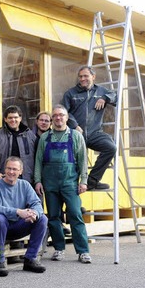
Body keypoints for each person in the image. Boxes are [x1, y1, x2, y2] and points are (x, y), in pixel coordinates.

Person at [35, 104, 92, 263]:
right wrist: (38, 181)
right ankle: (59, 249)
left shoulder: (75, 136)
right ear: (52, 119)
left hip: (70, 183)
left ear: (67, 118)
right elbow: (38, 161)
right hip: (50, 183)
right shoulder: (45, 137)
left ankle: (83, 251)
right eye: (55, 116)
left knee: (75, 214)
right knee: (53, 216)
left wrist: (84, 181)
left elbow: (82, 161)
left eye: (61, 115)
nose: (58, 118)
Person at [0, 156, 48, 276]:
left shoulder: (24, 185)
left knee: (42, 219)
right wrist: (18, 212)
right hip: (0, 228)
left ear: (20, 171)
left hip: (18, 226)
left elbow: (37, 203)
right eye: (9, 168)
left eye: (15, 169)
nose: (11, 172)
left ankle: (30, 259)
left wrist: (34, 214)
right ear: (4, 170)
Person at [62, 65, 117, 190]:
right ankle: (74, 198)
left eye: (85, 76)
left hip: (95, 133)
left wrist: (105, 98)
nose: (82, 79)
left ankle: (92, 181)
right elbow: (64, 111)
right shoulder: (70, 93)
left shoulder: (101, 91)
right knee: (74, 165)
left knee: (111, 148)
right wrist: (74, 125)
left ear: (93, 77)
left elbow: (116, 96)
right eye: (80, 76)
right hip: (76, 135)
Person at [0, 105, 37, 184]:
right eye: (10, 118)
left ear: (20, 118)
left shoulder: (30, 136)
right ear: (5, 119)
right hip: (3, 178)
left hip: (26, 180)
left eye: (15, 117)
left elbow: (38, 157)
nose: (13, 120)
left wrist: (36, 179)